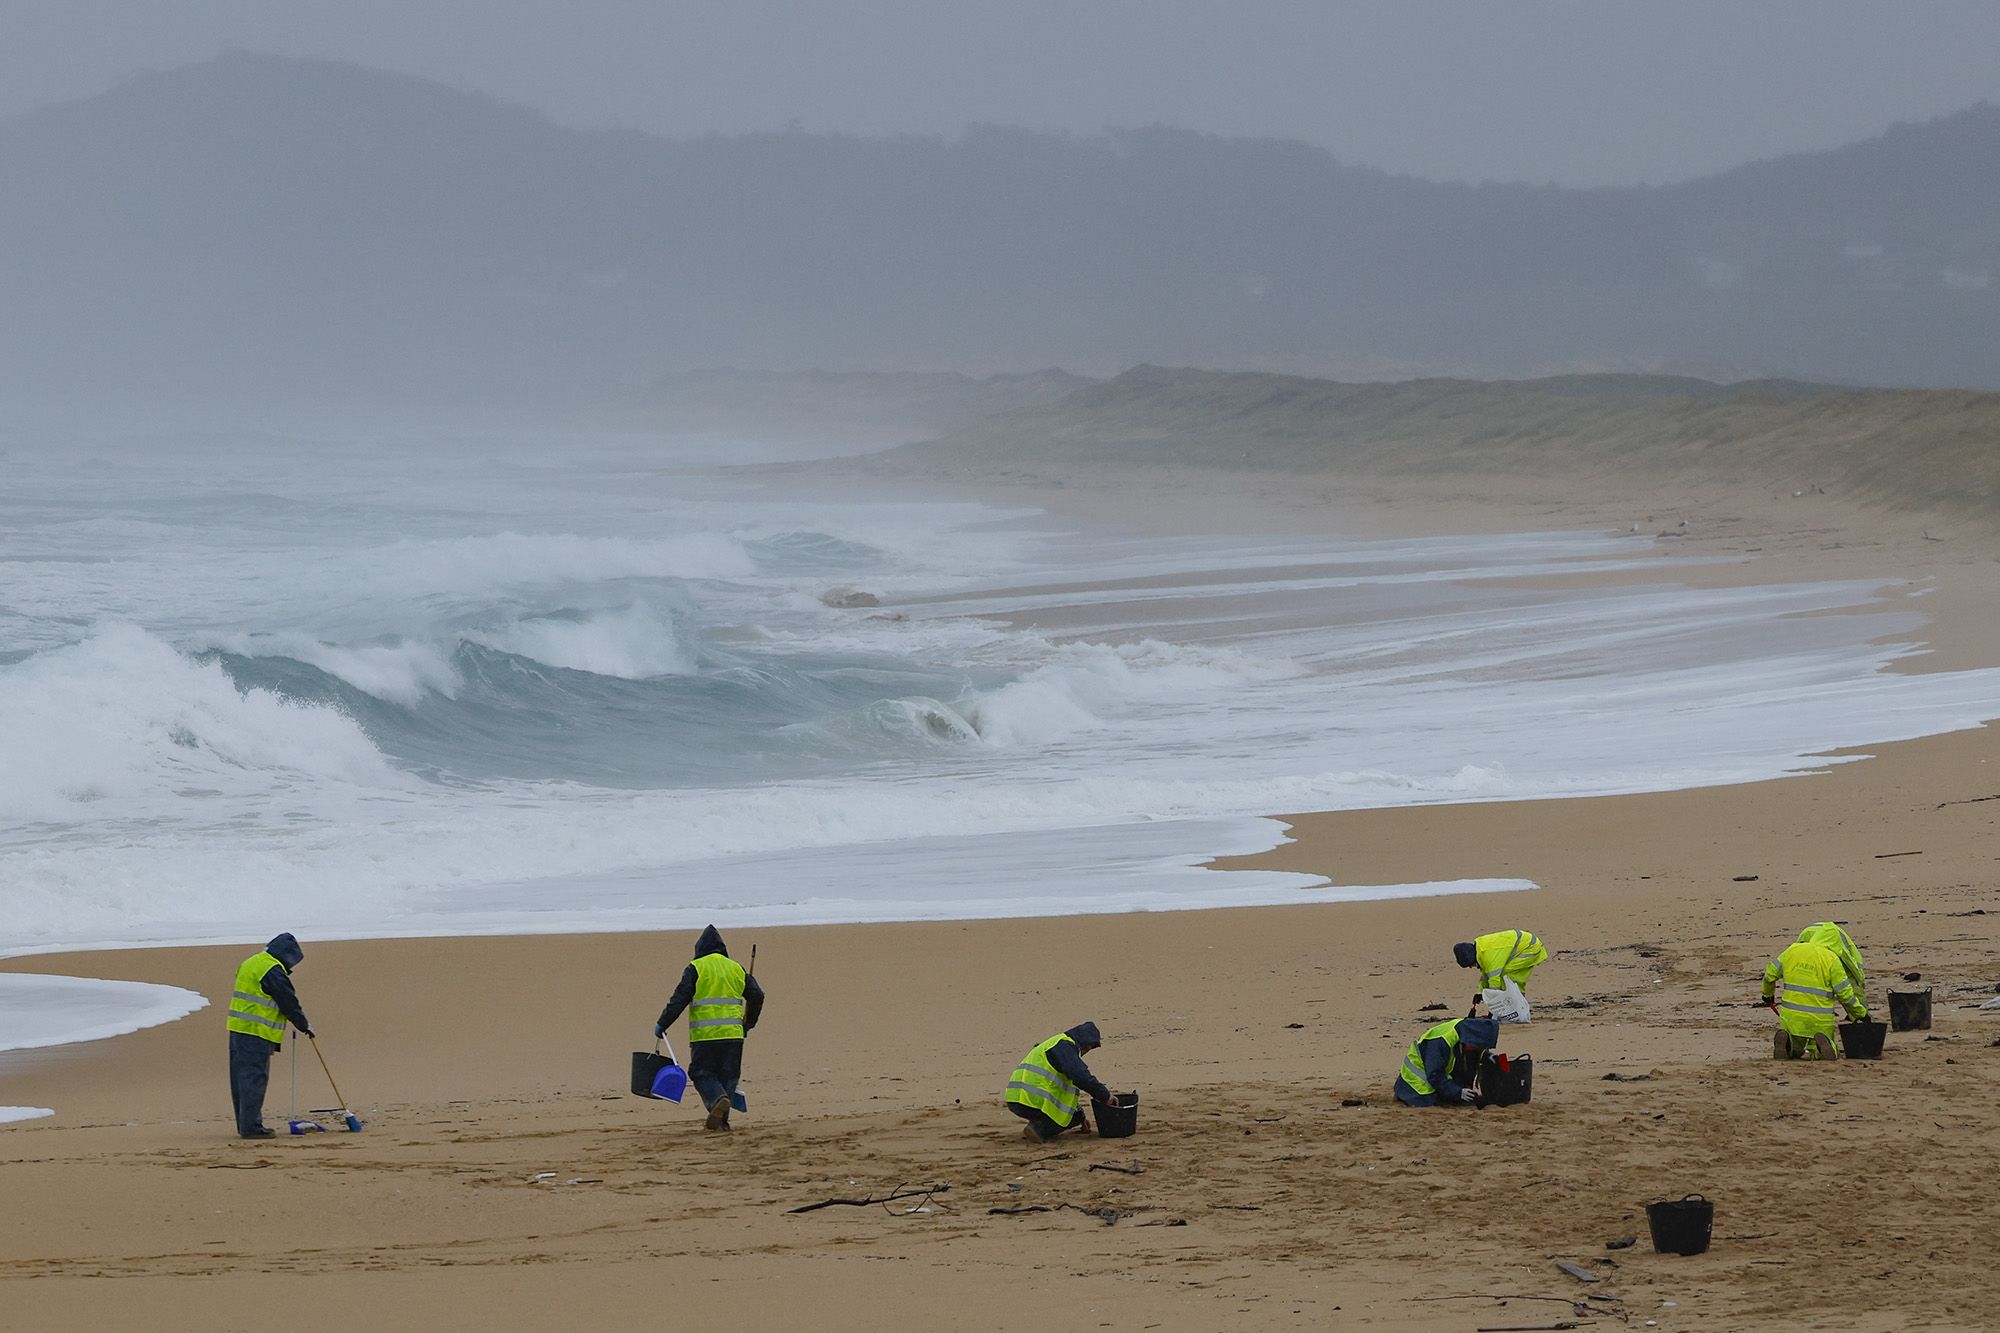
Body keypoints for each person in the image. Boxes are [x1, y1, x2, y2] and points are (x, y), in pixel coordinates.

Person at [654, 924, 764, 1131]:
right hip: (733, 1035)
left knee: (701, 1072)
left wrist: (663, 1023)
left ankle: (717, 1102)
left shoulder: (696, 968)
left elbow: (678, 1000)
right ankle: (721, 1122)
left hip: (704, 1036)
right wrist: (748, 1024)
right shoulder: (736, 968)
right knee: (728, 1077)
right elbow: (757, 995)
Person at [226, 932, 311, 1139]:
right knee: (254, 1079)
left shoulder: (252, 962)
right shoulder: (272, 970)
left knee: (241, 1080)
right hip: (256, 1031)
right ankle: (251, 1128)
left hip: (237, 1028)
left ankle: (245, 1125)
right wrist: (303, 1024)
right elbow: (288, 1001)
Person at [1762, 938, 1869, 1060]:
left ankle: (1788, 1044)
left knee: (1796, 1047)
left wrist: (1767, 995)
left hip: (1792, 1016)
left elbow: (1769, 976)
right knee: (1825, 1044)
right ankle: (1821, 1048)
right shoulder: (1831, 958)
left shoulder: (1792, 951)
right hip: (1820, 1019)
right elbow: (1845, 994)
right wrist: (1860, 1013)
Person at [1005, 1021, 1113, 1142]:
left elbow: (1064, 1088)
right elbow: (1081, 1077)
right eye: (1088, 1048)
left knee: (1076, 1115)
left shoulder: (1054, 1043)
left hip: (1015, 1098)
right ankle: (1039, 1129)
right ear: (1085, 1043)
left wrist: (1082, 1118)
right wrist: (1105, 1096)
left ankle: (1040, 1122)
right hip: (1031, 1100)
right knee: (1072, 1117)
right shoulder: (1066, 1047)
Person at [1394, 1015, 1499, 1106]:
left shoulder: (1468, 1031)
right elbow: (1435, 1074)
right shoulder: (1440, 1041)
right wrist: (1458, 1092)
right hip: (1416, 1085)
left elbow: (1474, 1050)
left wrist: (1487, 1056)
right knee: (1431, 1104)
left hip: (1435, 1076)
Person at [1454, 929, 1549, 997]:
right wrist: (1480, 993)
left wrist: (1494, 1002)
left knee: (1505, 975)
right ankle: (1518, 1000)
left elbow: (1494, 979)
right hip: (1524, 943)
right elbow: (1486, 975)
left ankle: (1515, 1001)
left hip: (1530, 947)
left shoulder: (1488, 955)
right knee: (1509, 977)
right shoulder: (1481, 949)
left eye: (1470, 965)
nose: (1471, 967)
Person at [1794, 921, 1866, 1006]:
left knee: (1808, 973)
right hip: (1830, 938)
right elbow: (1854, 977)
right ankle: (1861, 1011)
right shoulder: (1848, 953)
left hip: (1808, 933)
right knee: (1850, 983)